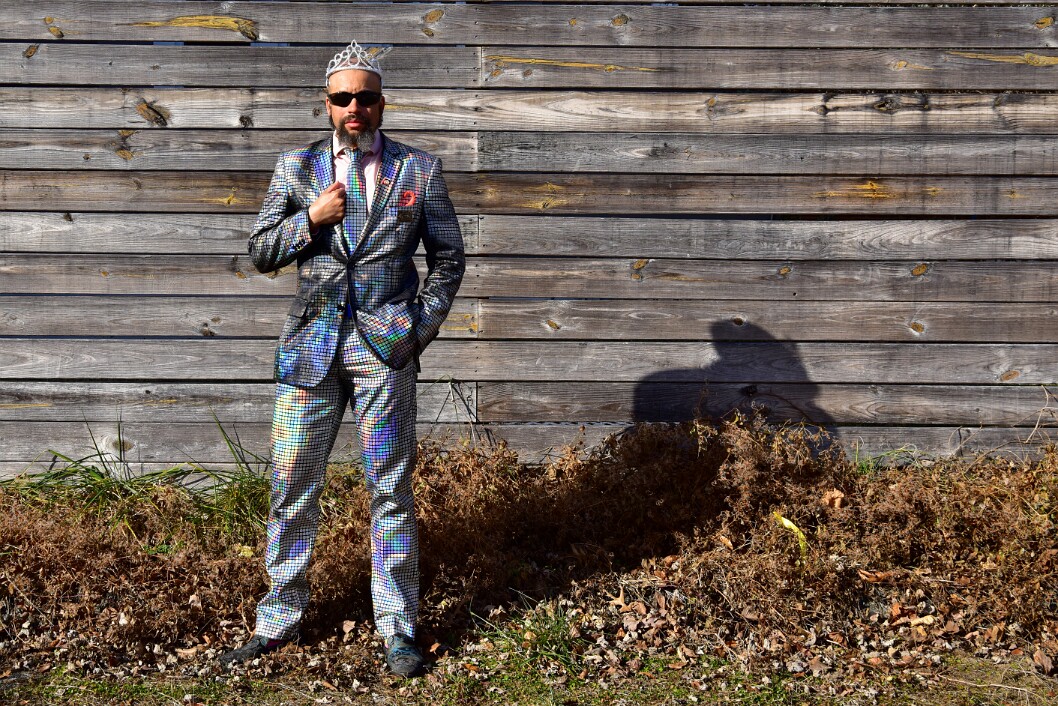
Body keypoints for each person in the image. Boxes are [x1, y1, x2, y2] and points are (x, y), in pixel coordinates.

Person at [219, 40, 465, 677]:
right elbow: (261, 251)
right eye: (342, 97)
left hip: (386, 347)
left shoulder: (420, 170)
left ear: (383, 101)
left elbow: (449, 259)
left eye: (366, 96)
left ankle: (398, 627)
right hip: (310, 350)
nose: (354, 107)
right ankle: (279, 620)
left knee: (390, 490)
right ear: (325, 104)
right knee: (292, 484)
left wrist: (417, 329)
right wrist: (311, 218)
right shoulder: (296, 166)